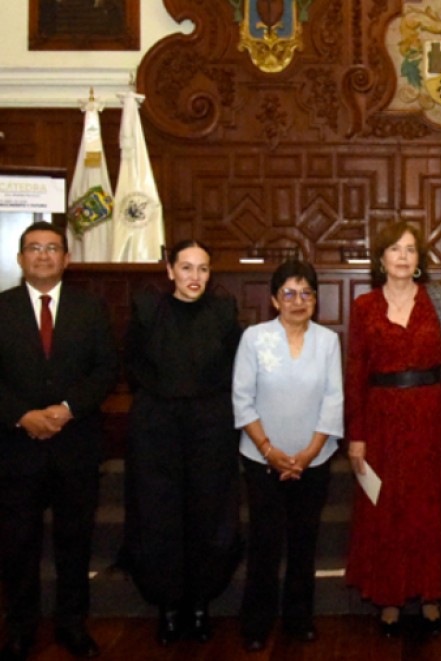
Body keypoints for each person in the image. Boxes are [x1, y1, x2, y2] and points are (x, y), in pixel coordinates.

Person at [0, 222, 117, 661]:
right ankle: (20, 629)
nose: (43, 255)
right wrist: (21, 415)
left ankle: (72, 625)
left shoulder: (90, 308)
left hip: (75, 447)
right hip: (15, 448)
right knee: (17, 545)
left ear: (67, 259)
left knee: (75, 542)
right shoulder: (2, 307)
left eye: (52, 248)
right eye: (34, 248)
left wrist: (69, 409)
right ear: (20, 258)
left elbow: (106, 368)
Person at [345, 221, 441, 637]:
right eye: (394, 249)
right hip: (381, 422)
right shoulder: (363, 306)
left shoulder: (438, 301)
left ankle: (431, 597)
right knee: (387, 509)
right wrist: (356, 434)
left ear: (419, 261)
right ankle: (389, 598)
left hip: (431, 418)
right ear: (381, 259)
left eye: (411, 250)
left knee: (429, 509)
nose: (402, 256)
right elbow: (356, 374)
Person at [123, 239, 242, 646]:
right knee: (159, 516)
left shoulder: (225, 311)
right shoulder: (147, 308)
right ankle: (169, 608)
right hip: (157, 425)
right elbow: (133, 363)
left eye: (203, 269)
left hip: (210, 425)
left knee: (209, 514)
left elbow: (233, 367)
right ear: (169, 270)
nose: (195, 277)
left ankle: (199, 605)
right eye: (186, 268)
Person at [232, 260, 343, 652]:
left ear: (315, 299)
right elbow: (242, 400)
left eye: (307, 293)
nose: (298, 301)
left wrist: (311, 452)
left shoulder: (328, 341)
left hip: (314, 458)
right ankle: (257, 623)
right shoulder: (254, 338)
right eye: (289, 294)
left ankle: (299, 618)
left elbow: (334, 401)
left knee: (303, 541)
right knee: (264, 542)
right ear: (274, 300)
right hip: (263, 459)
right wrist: (269, 451)